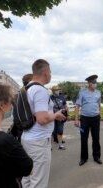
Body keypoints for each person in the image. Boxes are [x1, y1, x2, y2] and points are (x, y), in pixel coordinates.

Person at [21, 59, 66, 188]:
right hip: (39, 142)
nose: (51, 75)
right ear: (45, 73)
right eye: (50, 72)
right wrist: (56, 115)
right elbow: (42, 119)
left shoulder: (27, 88)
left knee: (28, 178)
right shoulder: (40, 90)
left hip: (28, 138)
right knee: (38, 182)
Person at [0, 83, 33, 188]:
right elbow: (28, 169)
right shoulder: (5, 141)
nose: (12, 105)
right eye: (11, 102)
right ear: (2, 105)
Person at [74, 75, 102, 166]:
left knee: (96, 138)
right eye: (93, 82)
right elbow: (77, 106)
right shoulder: (82, 93)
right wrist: (76, 119)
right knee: (84, 138)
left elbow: (99, 104)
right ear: (89, 83)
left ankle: (97, 156)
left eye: (95, 82)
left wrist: (100, 113)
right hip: (85, 118)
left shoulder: (98, 92)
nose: (95, 84)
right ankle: (83, 158)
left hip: (95, 118)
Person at [11, 73, 33, 142]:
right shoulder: (27, 94)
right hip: (28, 127)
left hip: (20, 126)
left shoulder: (18, 94)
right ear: (30, 81)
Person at [51, 85, 68, 150]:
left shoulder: (62, 97)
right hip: (52, 116)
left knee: (60, 131)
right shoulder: (49, 98)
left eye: (58, 90)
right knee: (52, 131)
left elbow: (65, 106)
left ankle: (61, 145)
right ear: (52, 91)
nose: (57, 91)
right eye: (56, 90)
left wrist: (68, 115)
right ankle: (50, 146)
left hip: (61, 116)